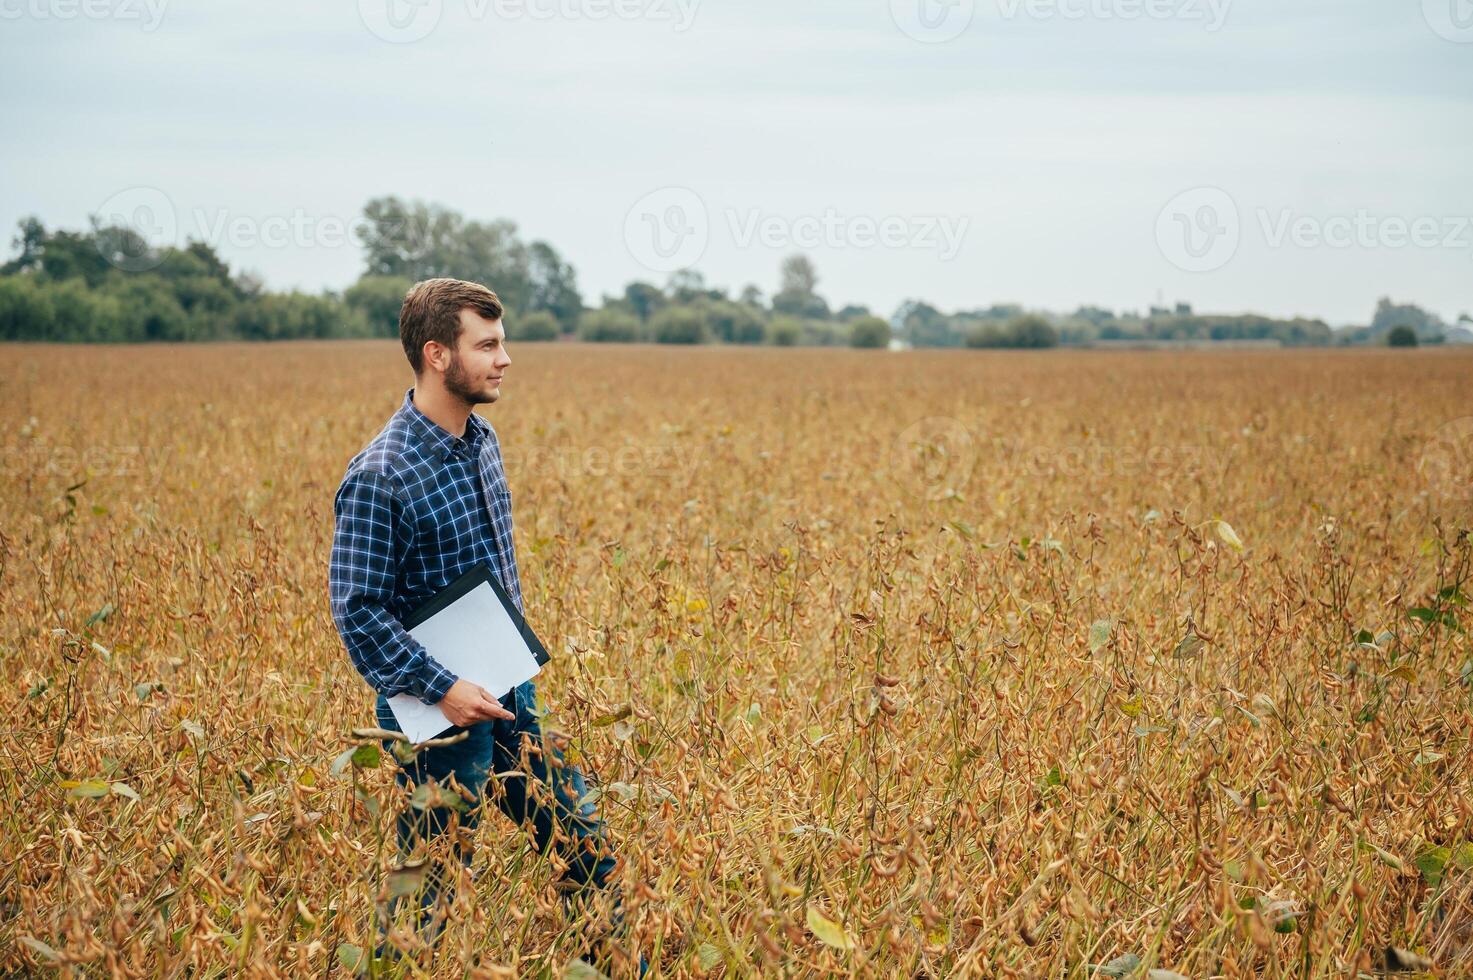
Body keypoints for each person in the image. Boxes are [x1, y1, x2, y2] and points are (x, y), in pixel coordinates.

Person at [328, 278, 638, 972]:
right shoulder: (380, 475)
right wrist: (443, 688)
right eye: (488, 344)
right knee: (426, 886)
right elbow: (357, 612)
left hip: (510, 692)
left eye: (503, 342)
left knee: (583, 843)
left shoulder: (482, 441)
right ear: (438, 354)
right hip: (437, 714)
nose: (505, 359)